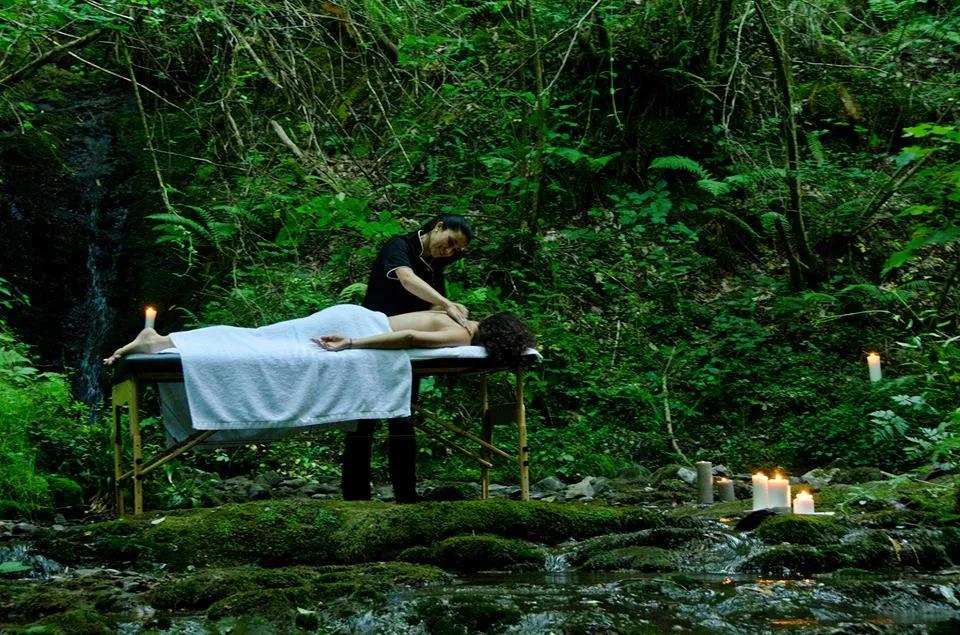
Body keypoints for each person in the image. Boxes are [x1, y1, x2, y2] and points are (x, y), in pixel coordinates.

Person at [346, 213, 475, 503]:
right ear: (438, 227)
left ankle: (406, 496)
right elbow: (406, 279)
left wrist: (453, 314)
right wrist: (446, 304)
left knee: (402, 419)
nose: (450, 251)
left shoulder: (437, 263)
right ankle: (355, 498)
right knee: (364, 420)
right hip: (374, 340)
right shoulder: (399, 245)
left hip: (408, 351)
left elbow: (433, 309)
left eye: (457, 250)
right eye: (450, 242)